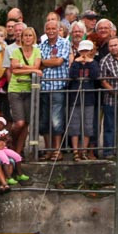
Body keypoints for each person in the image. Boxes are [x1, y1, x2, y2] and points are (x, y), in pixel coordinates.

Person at [38, 19, 70, 160]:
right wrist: (47, 62)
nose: (51, 31)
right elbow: (37, 63)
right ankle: (48, 149)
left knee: (56, 120)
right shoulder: (41, 45)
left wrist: (44, 62)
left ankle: (57, 150)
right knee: (44, 120)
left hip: (58, 87)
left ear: (58, 30)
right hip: (44, 87)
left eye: (53, 28)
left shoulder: (64, 43)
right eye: (48, 29)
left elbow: (59, 61)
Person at [6, 25, 40, 157]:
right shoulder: (16, 52)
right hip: (15, 88)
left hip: (29, 89)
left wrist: (21, 66)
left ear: (34, 38)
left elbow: (36, 66)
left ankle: (18, 152)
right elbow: (14, 70)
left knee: (26, 123)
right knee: (19, 122)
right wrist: (31, 69)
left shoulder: (37, 51)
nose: (27, 38)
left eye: (30, 35)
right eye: (25, 35)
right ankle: (11, 140)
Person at [68, 39, 100, 160]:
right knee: (75, 125)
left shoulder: (94, 63)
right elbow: (72, 74)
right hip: (75, 97)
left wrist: (90, 62)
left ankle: (84, 150)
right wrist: (77, 62)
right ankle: (75, 150)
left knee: (88, 125)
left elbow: (94, 75)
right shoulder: (75, 63)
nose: (84, 53)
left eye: (87, 50)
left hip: (89, 98)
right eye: (82, 50)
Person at [99, 36, 118, 158]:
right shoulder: (105, 61)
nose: (113, 48)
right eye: (111, 46)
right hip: (111, 99)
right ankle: (108, 152)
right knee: (109, 127)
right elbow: (103, 81)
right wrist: (115, 92)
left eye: (115, 45)